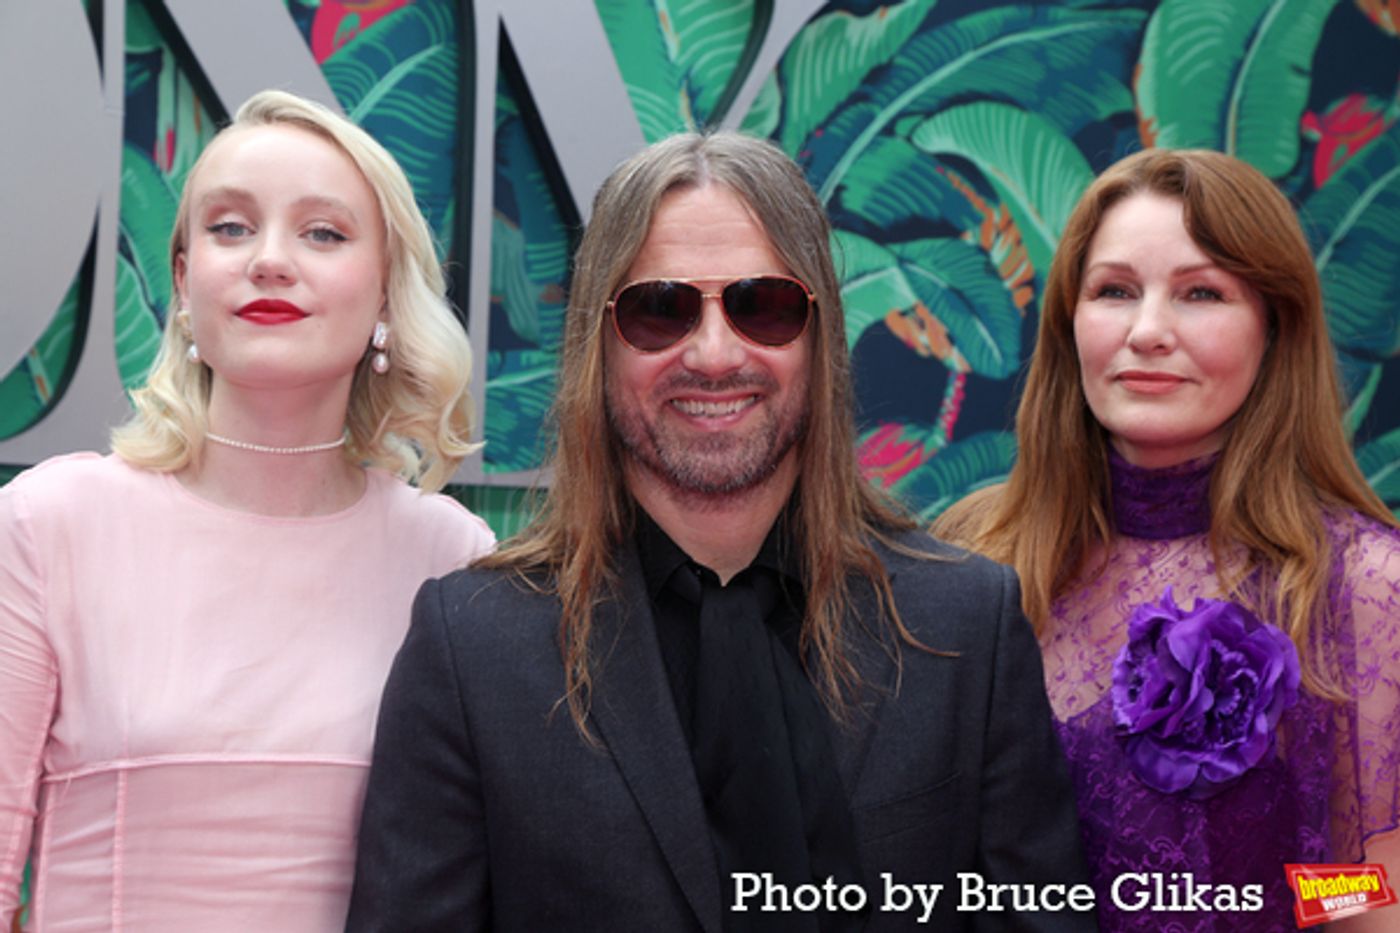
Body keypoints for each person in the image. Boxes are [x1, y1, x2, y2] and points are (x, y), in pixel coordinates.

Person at [346, 131, 1093, 932]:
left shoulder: (967, 624)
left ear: (821, 335)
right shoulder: (473, 649)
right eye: (659, 310)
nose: (711, 353)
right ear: (598, 346)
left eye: (761, 306)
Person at [0, 90, 495, 930]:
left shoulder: (449, 556)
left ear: (384, 293)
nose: (270, 260)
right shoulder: (52, 523)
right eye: (231, 227)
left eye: (324, 232)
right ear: (185, 283)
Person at [935, 148, 1400, 931]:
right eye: (1115, 290)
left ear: (1273, 328)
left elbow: (1373, 891)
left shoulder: (1364, 586)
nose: (1148, 331)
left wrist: (1277, 899)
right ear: (1069, 321)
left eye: (1201, 293)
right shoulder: (970, 558)